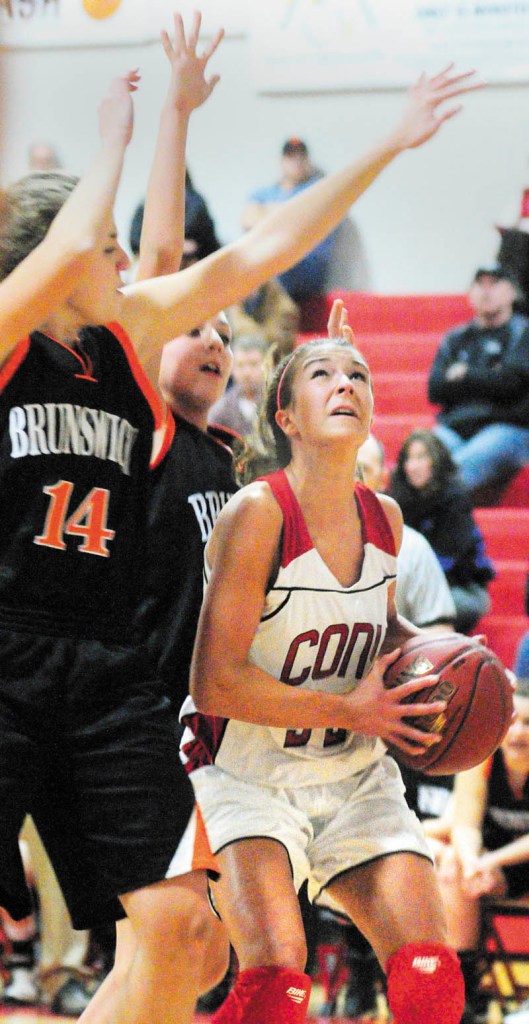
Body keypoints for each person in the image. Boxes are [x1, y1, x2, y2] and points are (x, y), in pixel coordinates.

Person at [0, 55, 481, 1024]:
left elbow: (255, 249)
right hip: (5, 646)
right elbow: (80, 246)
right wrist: (119, 134)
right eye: (111, 252)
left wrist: (386, 141)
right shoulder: (12, 333)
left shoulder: (130, 348)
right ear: (62, 246)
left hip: (112, 673)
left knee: (185, 937)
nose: (133, 267)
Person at [183, 333, 480, 1024]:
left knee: (431, 979)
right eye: (321, 374)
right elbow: (213, 684)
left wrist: (448, 664)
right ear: (285, 418)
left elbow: (384, 632)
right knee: (277, 982)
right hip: (242, 770)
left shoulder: (386, 519)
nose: (344, 384)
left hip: (350, 774)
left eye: (358, 375)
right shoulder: (258, 514)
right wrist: (354, 710)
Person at [434, 677, 529, 1024]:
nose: (517, 733)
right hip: (497, 864)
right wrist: (473, 863)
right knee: (455, 870)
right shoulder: (483, 757)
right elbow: (465, 825)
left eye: (528, 724)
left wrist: (491, 860)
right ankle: (465, 1001)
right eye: (512, 722)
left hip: (513, 860)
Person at [428, 265, 529, 503]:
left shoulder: (523, 333)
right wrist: (489, 376)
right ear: (470, 294)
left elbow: (512, 384)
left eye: (494, 284)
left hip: (506, 427)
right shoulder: (456, 338)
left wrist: (465, 375)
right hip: (456, 427)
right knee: (421, 453)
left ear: (512, 293)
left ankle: (424, 512)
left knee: (459, 465)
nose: (486, 292)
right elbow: (435, 389)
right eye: (480, 285)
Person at [389, 429, 495, 634]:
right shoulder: (398, 501)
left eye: (421, 457)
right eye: (408, 459)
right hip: (411, 586)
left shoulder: (455, 499)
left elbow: (450, 557)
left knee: (425, 605)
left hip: (460, 587)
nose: (413, 466)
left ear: (436, 461)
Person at [357, 433, 457, 633]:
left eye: (362, 470)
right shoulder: (290, 539)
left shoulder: (412, 546)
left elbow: (440, 631)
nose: (350, 479)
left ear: (383, 479)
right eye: (340, 467)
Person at [242, 137, 340, 304]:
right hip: (270, 259)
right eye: (291, 156)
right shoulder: (265, 192)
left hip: (305, 265)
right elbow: (248, 221)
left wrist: (268, 213)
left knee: (271, 265)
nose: (297, 161)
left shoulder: (318, 189)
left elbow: (301, 226)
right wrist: (285, 216)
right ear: (282, 161)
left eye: (301, 156)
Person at [129, 166, 221, 271]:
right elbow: (135, 239)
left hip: (193, 261)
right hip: (156, 258)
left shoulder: (194, 201)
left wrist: (179, 245)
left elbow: (205, 238)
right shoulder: (146, 204)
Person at [208, 333, 267, 438]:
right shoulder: (222, 409)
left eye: (254, 364)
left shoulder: (277, 404)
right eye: (240, 365)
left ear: (268, 365)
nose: (247, 372)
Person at [226, 277, 300, 361]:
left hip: (272, 365)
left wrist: (236, 311)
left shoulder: (285, 309)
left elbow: (274, 344)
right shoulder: (240, 303)